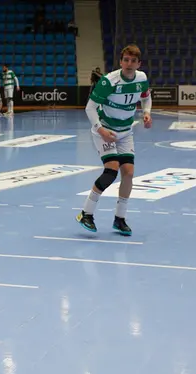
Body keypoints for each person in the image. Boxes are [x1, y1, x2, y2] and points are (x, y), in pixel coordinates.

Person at [77, 44, 152, 236]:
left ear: (138, 63)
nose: (129, 64)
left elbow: (146, 97)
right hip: (105, 130)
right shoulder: (109, 81)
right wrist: (100, 130)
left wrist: (146, 112)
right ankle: (86, 213)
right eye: (126, 60)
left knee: (128, 173)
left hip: (125, 131)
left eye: (133, 61)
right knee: (111, 170)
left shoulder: (142, 78)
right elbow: (90, 108)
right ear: (121, 61)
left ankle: (119, 219)